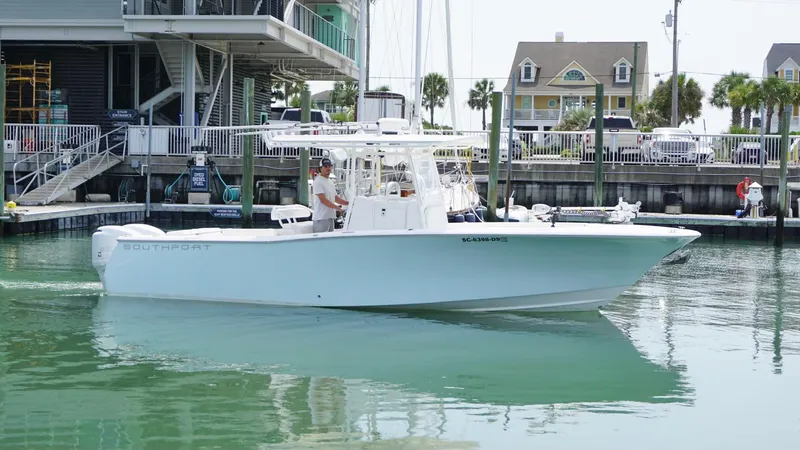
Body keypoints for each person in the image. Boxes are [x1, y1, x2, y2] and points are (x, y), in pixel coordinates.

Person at [312, 157, 348, 232]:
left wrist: (349, 203)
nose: (328, 168)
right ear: (320, 168)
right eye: (325, 166)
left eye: (329, 166)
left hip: (330, 217)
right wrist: (337, 208)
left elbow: (335, 198)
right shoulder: (318, 181)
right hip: (321, 218)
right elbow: (323, 200)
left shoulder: (330, 181)